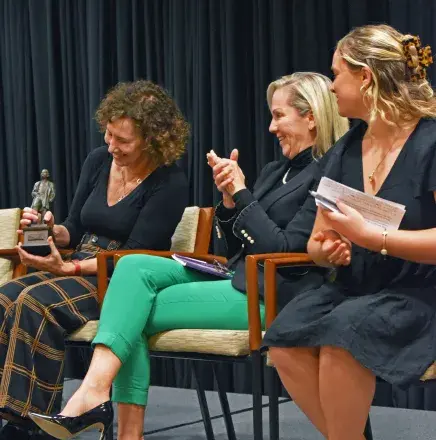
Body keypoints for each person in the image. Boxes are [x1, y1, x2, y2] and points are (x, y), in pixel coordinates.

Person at [29, 72, 349, 440]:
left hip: (275, 295)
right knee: (132, 267)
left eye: (279, 116)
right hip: (236, 278)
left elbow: (285, 249)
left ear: (311, 117)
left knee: (131, 307)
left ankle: (109, 418)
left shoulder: (325, 176)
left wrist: (242, 194)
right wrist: (229, 202)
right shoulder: (276, 171)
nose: (271, 126)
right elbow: (230, 250)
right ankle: (97, 400)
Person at [262, 24, 436, 440]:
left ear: (366, 77)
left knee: (343, 334)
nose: (332, 87)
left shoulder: (430, 142)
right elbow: (317, 240)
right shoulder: (345, 149)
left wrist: (375, 238)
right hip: (357, 285)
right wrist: (328, 251)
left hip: (419, 290)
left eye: (337, 74)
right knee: (284, 338)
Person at [0, 80, 189, 440]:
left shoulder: (170, 182)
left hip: (120, 280)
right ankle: (10, 412)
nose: (111, 145)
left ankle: (30, 424)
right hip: (78, 261)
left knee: (33, 303)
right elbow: (74, 226)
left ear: (153, 139)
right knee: (5, 295)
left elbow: (134, 255)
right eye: (109, 135)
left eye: (123, 140)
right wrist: (50, 230)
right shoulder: (97, 160)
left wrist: (69, 267)